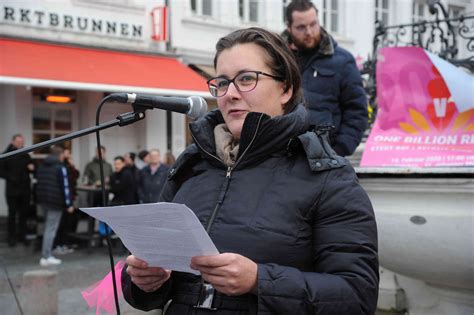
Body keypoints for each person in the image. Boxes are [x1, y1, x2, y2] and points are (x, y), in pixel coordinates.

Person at [121, 27, 378, 315]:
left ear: (286, 89)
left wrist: (260, 280)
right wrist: (145, 281)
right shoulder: (191, 166)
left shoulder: (328, 176)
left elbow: (357, 297)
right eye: (221, 83)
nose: (229, 94)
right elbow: (147, 286)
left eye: (246, 79)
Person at [285, 0, 368, 156]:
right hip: (282, 156)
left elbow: (357, 111)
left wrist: (339, 150)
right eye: (301, 27)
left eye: (313, 24)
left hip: (326, 157)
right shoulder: (276, 59)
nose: (309, 32)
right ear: (289, 27)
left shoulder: (343, 60)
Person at [36, 146, 74, 266]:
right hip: (55, 202)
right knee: (50, 229)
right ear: (60, 155)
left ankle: (46, 254)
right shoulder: (60, 167)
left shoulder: (42, 165)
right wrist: (69, 204)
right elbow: (66, 187)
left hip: (43, 201)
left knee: (47, 227)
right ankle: (46, 256)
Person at [0, 134, 35, 246]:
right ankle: (11, 237)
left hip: (25, 190)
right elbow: (1, 171)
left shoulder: (25, 154)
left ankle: (22, 235)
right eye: (19, 142)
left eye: (22, 142)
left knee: (23, 214)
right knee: (12, 214)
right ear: (13, 141)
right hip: (12, 190)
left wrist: (32, 167)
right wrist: (10, 177)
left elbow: (32, 168)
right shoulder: (6, 154)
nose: (21, 144)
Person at [54, 148, 80, 254]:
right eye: (66, 154)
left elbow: (76, 175)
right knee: (62, 223)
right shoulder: (61, 166)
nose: (68, 155)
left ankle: (67, 241)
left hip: (70, 196)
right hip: (64, 199)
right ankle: (60, 243)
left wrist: (72, 165)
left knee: (70, 221)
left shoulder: (68, 165)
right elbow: (66, 183)